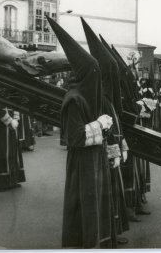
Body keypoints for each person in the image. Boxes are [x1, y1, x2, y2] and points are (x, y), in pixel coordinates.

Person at [47, 16, 116, 248]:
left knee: (95, 203)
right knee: (84, 205)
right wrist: (101, 124)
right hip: (82, 161)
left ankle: (96, 241)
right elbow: (75, 137)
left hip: (95, 158)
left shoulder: (86, 95)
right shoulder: (74, 100)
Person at [82, 18, 130, 245]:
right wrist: (114, 151)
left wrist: (122, 146)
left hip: (113, 151)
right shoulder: (97, 99)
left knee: (113, 195)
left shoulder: (108, 98)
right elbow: (102, 128)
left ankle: (114, 231)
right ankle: (108, 235)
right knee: (107, 196)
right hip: (103, 154)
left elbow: (116, 124)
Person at [0, 104, 26, 191]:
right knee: (2, 152)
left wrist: (16, 118)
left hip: (12, 124)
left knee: (13, 152)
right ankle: (0, 183)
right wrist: (10, 121)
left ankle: (12, 181)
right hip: (1, 126)